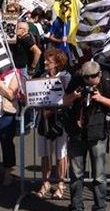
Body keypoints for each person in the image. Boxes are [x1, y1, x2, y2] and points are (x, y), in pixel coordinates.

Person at [63, 61, 110, 211]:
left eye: (92, 77)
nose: (88, 81)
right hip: (77, 133)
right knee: (76, 174)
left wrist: (100, 98)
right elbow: (64, 101)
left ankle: (100, 206)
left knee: (99, 174)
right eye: (85, 78)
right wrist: (75, 96)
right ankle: (77, 206)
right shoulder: (77, 80)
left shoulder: (108, 80)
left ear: (99, 74)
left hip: (97, 132)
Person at [36, 49, 72, 199]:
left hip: (59, 121)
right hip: (43, 121)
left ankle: (61, 183)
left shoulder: (65, 78)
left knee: (60, 154)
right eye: (45, 60)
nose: (45, 63)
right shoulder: (42, 77)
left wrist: (52, 110)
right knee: (45, 154)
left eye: (48, 61)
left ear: (57, 63)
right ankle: (46, 182)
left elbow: (68, 99)